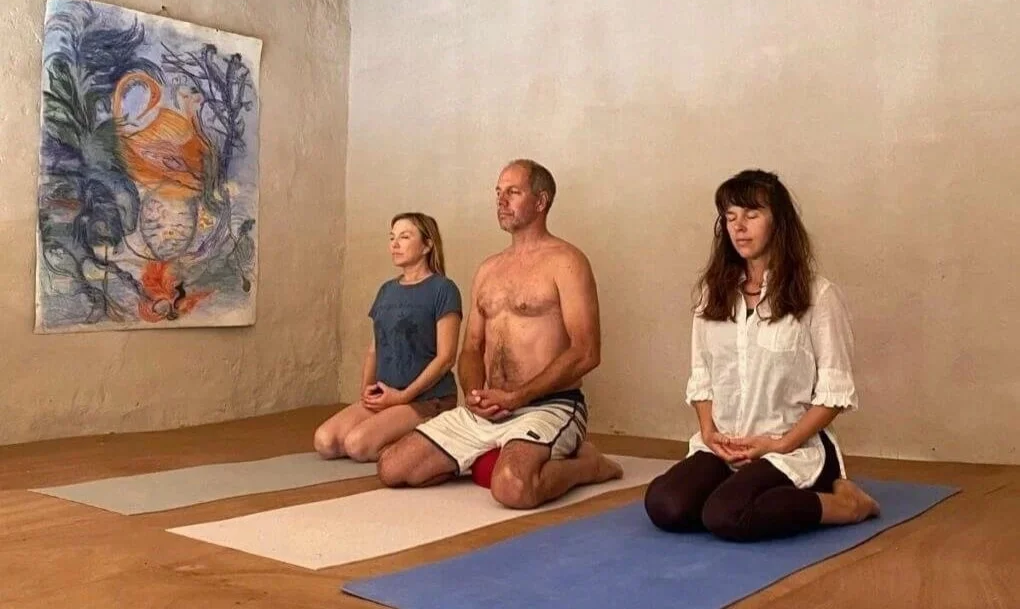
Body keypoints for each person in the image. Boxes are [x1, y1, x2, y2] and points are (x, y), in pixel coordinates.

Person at [644, 169, 880, 541]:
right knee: (665, 505)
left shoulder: (818, 297)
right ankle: (742, 491)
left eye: (752, 215)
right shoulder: (713, 294)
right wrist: (709, 432)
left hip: (788, 446)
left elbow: (834, 393)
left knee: (728, 515)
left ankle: (847, 504)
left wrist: (779, 443)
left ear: (778, 222)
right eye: (730, 217)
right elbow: (702, 376)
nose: (739, 227)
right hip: (726, 444)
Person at [377, 159, 623, 508]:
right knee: (392, 468)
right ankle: (491, 453)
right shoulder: (488, 269)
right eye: (498, 193)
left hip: (549, 406)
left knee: (512, 489)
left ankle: (589, 465)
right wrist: (475, 394)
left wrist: (518, 397)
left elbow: (586, 352)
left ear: (541, 201)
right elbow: (470, 349)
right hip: (491, 410)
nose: (501, 201)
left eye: (513, 192)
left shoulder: (567, 262)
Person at [313, 213, 462, 462]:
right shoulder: (386, 290)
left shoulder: (444, 289)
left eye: (405, 237)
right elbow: (375, 348)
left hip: (427, 399)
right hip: (387, 396)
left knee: (357, 445)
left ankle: (430, 438)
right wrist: (366, 394)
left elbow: (446, 358)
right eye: (392, 238)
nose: (395, 244)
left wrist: (403, 397)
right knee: (325, 441)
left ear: (427, 245)